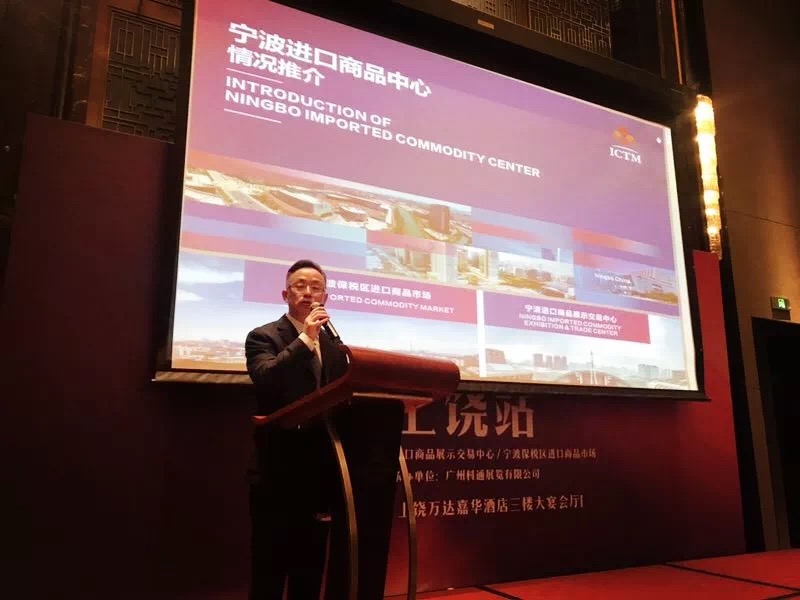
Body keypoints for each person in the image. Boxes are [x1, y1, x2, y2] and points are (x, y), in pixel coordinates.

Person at [245, 259, 349, 600]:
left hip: (319, 471)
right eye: (300, 286)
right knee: (270, 565)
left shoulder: (334, 347)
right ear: (285, 294)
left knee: (310, 565)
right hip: (277, 468)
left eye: (316, 287)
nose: (308, 293)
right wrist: (305, 339)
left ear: (325, 298)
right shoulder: (263, 336)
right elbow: (266, 377)